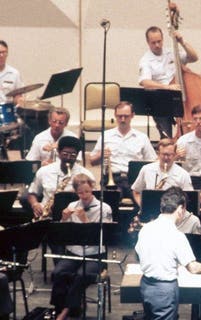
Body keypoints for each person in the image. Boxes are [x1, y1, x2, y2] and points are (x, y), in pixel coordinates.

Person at [135, 187, 201, 319]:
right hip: (164, 290)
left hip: (145, 286)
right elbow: (193, 268)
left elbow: (139, 255)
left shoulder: (145, 229)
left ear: (162, 208)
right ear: (180, 209)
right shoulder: (176, 236)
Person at [50, 174, 112, 319]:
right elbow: (63, 235)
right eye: (80, 193)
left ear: (93, 189)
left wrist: (85, 220)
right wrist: (63, 220)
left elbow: (103, 237)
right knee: (58, 272)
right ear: (76, 192)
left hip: (95, 255)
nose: (84, 196)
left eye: (87, 192)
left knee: (80, 276)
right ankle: (59, 308)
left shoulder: (104, 208)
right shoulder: (72, 206)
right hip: (74, 253)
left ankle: (65, 312)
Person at [138, 25, 198, 138]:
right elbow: (145, 82)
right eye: (153, 42)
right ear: (148, 42)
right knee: (167, 136)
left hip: (179, 96)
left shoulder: (171, 53)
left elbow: (194, 58)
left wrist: (182, 42)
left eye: (159, 41)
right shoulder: (145, 60)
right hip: (162, 99)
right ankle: (167, 143)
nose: (157, 45)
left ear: (163, 39)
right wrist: (167, 87)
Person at [89, 101, 156, 199]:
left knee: (141, 206)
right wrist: (101, 154)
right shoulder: (106, 135)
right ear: (115, 115)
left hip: (134, 179)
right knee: (110, 206)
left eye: (126, 116)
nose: (123, 119)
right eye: (119, 116)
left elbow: (152, 161)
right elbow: (92, 162)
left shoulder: (142, 137)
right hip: (112, 179)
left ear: (132, 115)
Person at [26, 136, 95, 219]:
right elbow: (32, 193)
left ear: (77, 155)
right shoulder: (44, 171)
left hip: (74, 218)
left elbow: (92, 200)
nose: (68, 158)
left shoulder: (87, 175)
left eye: (73, 155)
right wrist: (35, 204)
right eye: (65, 154)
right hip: (47, 217)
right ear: (58, 152)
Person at [131, 138, 193, 207]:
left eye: (169, 155)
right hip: (151, 211)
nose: (166, 158)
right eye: (164, 154)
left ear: (175, 154)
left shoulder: (183, 174)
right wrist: (143, 206)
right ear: (158, 154)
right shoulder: (146, 169)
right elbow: (136, 191)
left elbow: (189, 198)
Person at [0, 40, 24, 107]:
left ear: (7, 54)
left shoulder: (14, 73)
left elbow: (18, 95)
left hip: (7, 111)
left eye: (4, 52)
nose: (1, 55)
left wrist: (19, 100)